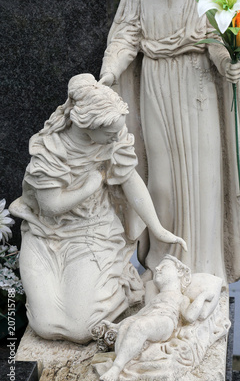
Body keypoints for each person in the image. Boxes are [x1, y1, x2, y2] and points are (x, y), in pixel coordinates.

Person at [99, 0, 240, 284]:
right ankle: (163, 264)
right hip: (155, 83)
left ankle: (205, 266)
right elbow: (127, 34)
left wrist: (226, 64)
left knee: (203, 178)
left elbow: (219, 37)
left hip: (196, 82)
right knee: (162, 181)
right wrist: (109, 72)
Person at [9, 74, 186, 344]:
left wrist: (157, 227)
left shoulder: (112, 139)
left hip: (93, 232)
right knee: (45, 326)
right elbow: (51, 206)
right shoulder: (50, 151)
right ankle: (104, 284)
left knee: (81, 329)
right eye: (111, 132)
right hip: (45, 233)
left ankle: (121, 284)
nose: (118, 137)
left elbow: (131, 180)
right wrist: (89, 187)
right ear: (87, 124)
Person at [99, 254, 223, 381]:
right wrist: (117, 325)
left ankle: (116, 368)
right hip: (149, 318)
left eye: (164, 266)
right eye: (158, 266)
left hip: (166, 321)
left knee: (140, 326)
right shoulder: (156, 298)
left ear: (179, 273)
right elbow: (139, 314)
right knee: (127, 326)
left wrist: (202, 296)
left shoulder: (181, 298)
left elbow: (190, 316)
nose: (157, 268)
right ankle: (127, 359)